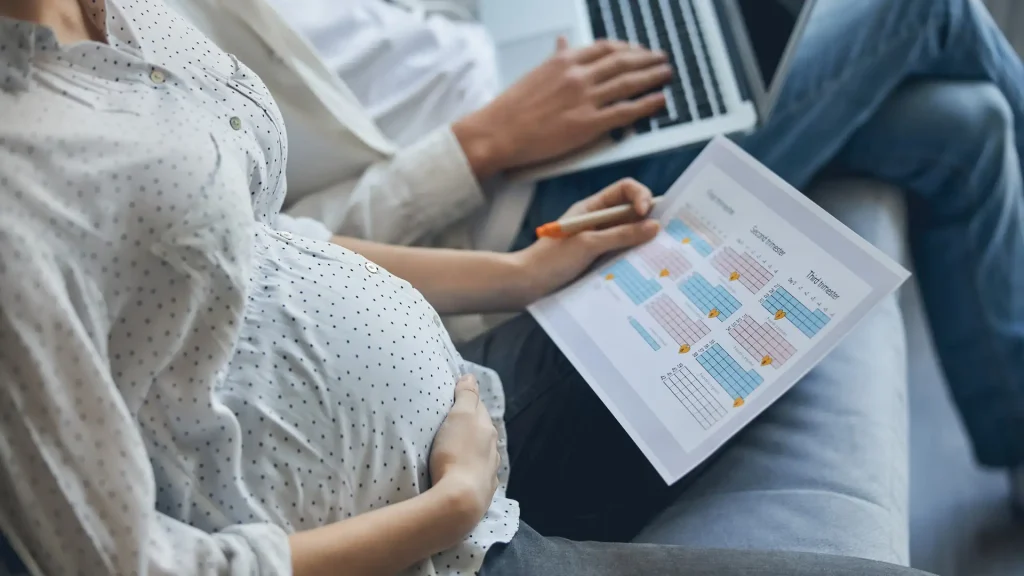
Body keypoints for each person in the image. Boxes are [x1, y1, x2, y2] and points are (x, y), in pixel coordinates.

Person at [0, 1, 924, 575]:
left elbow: (255, 239)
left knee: (916, 147)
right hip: (430, 539)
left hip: (469, 397)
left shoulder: (117, 14)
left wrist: (520, 275)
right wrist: (451, 506)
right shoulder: (20, 184)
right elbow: (123, 566)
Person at [171, 0, 1024, 510]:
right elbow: (274, 244)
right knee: (924, 9)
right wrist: (485, 140)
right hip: (510, 195)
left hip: (539, 70)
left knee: (968, 128)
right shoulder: (149, 52)